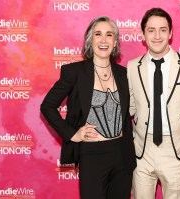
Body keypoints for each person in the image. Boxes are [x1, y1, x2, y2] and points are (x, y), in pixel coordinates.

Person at [41, 16, 136, 199]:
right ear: (89, 40)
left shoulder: (124, 74)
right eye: (97, 34)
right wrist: (72, 133)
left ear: (115, 42)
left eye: (109, 35)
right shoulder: (74, 72)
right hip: (92, 155)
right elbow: (48, 106)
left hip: (122, 154)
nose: (103, 40)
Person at [127, 8, 180, 199]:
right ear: (143, 35)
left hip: (177, 150)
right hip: (142, 151)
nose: (157, 36)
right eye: (151, 30)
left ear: (170, 33)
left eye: (163, 30)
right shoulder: (132, 67)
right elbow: (129, 107)